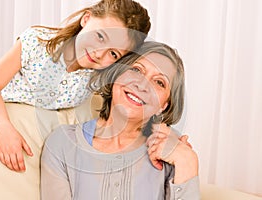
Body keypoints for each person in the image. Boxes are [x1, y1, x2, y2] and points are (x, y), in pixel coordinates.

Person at [0, 0, 151, 172]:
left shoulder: (99, 75)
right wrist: (4, 128)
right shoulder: (37, 42)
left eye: (113, 53)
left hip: (29, 124)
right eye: (100, 36)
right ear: (86, 19)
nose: (98, 53)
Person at [41, 41, 200, 199]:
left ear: (164, 105)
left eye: (159, 82)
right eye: (137, 70)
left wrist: (187, 161)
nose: (142, 85)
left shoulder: (170, 151)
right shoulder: (63, 143)